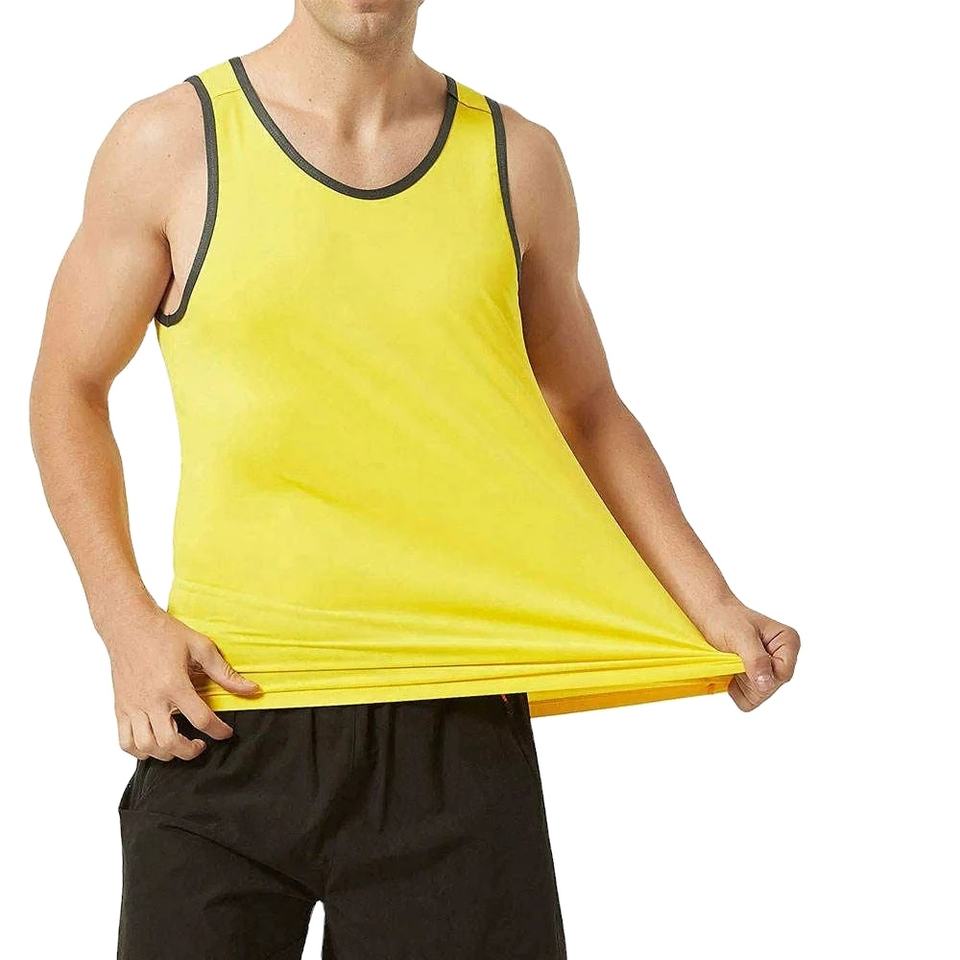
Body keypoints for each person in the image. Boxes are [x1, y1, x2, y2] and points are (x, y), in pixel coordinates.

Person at [30, 2, 800, 957]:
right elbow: (68, 386)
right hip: (224, 708)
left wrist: (713, 605)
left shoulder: (517, 161)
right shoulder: (171, 144)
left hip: (458, 716)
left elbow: (588, 408)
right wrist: (124, 622)